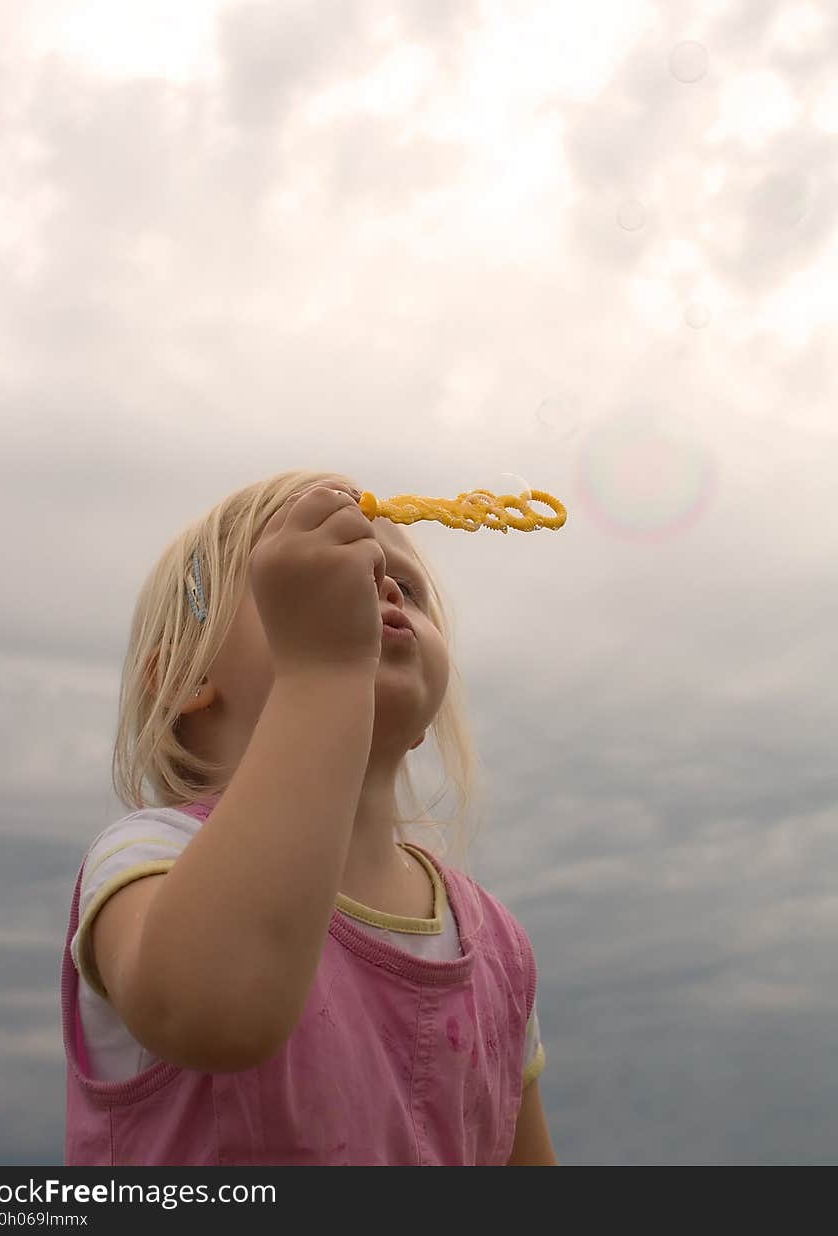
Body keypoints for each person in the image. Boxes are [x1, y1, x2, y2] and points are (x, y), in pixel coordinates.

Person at [60, 469, 558, 1166]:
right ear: (182, 677)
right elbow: (216, 1011)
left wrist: (328, 661)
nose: (376, 589)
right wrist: (325, 670)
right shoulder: (151, 856)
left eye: (404, 587)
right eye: (311, 584)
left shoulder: (497, 944)